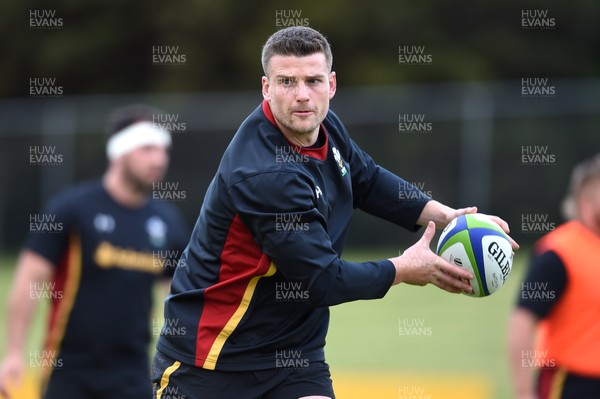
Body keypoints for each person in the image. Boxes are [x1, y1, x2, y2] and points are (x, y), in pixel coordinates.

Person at [152, 26, 516, 399]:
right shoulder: (266, 174)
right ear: (266, 87)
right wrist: (404, 269)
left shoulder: (322, 125)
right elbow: (323, 279)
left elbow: (368, 180)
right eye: (287, 82)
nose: (302, 95)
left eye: (313, 80)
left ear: (332, 84)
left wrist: (449, 217)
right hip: (212, 362)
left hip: (295, 356)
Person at [0, 104, 189, 399]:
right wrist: (13, 353)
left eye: (163, 149)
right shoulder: (72, 209)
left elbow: (179, 294)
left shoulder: (166, 221)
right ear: (119, 150)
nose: (159, 159)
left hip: (134, 370)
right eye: (147, 148)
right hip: (68, 369)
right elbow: (29, 279)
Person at [509, 154, 600, 399]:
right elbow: (522, 322)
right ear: (585, 200)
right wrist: (524, 392)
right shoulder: (559, 252)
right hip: (570, 382)